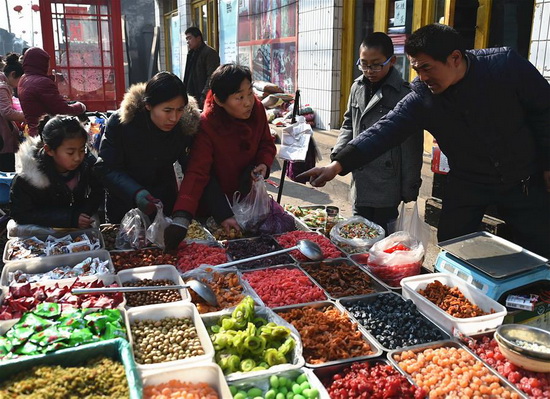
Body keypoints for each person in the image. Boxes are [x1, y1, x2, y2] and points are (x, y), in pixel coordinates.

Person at [298, 23, 550, 257]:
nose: (422, 77)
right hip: (469, 180)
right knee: (453, 244)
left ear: (455, 58)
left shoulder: (505, 67)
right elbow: (384, 130)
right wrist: (337, 165)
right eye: (416, 69)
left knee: (538, 246)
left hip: (523, 178)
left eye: (427, 67)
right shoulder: (422, 96)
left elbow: (545, 113)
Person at [164, 64, 277, 250]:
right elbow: (198, 173)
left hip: (244, 200)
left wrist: (263, 163)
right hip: (214, 206)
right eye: (239, 97)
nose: (248, 101)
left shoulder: (257, 109)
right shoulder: (207, 126)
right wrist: (182, 217)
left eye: (250, 93)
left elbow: (266, 142)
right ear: (219, 100)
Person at [94, 71, 225, 224]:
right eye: (167, 110)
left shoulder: (185, 127)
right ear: (148, 105)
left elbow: (196, 170)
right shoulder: (121, 123)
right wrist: (136, 193)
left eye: (179, 110)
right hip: (124, 206)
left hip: (164, 204)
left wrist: (222, 213)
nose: (174, 118)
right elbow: (106, 167)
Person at [332, 32, 423, 234]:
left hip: (387, 182)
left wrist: (410, 188)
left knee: (382, 239)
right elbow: (349, 123)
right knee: (357, 235)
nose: (369, 70)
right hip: (360, 175)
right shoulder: (357, 87)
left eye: (376, 64)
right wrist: (339, 156)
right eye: (364, 64)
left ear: (392, 61)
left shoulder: (404, 94)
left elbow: (411, 147)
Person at [10, 115, 102, 228]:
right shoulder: (28, 176)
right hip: (41, 234)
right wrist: (69, 218)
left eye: (82, 150)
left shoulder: (88, 165)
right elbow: (20, 214)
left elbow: (97, 193)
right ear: (49, 150)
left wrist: (83, 213)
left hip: (78, 229)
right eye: (70, 153)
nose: (78, 157)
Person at [18, 47, 86, 136]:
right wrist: (80, 106)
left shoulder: (23, 78)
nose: (49, 66)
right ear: (42, 63)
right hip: (48, 133)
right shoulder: (42, 82)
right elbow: (63, 110)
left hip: (33, 131)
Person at [183, 27, 220, 109]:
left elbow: (212, 76)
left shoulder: (209, 53)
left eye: (189, 38)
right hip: (191, 95)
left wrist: (204, 95)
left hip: (203, 96)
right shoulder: (191, 53)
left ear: (198, 38)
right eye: (186, 39)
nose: (188, 42)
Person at [0, 53, 25, 171]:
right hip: (2, 139)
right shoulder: (2, 87)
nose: (19, 84)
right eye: (20, 80)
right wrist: (28, 116)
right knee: (6, 171)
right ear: (13, 74)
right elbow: (7, 113)